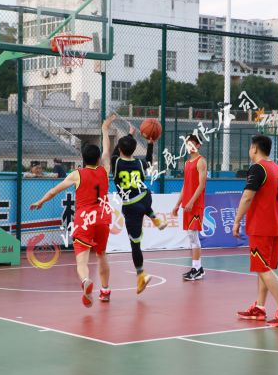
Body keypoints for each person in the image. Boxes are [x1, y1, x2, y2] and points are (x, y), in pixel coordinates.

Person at [30, 115, 116, 307]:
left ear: (83, 159)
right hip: (102, 218)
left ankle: (86, 281)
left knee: (82, 260)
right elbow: (107, 150)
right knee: (101, 255)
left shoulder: (77, 174)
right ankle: (105, 290)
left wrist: (41, 201)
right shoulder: (105, 170)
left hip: (84, 220)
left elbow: (54, 190)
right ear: (98, 159)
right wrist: (104, 129)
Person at [233, 135, 278, 327]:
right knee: (263, 267)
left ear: (254, 148)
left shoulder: (258, 168)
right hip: (274, 226)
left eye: (250, 147)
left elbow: (247, 197)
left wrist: (237, 220)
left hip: (260, 226)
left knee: (262, 268)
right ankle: (259, 307)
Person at [112, 124, 167, 294]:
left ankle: (141, 275)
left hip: (131, 205)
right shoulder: (139, 163)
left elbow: (114, 153)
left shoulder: (116, 162)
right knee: (144, 201)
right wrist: (150, 143)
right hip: (145, 197)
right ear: (134, 150)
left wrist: (130, 135)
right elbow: (149, 160)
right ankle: (154, 217)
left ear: (120, 149)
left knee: (135, 244)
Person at [172, 134, 207, 281]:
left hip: (196, 204)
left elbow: (202, 185)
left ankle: (196, 268)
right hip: (187, 204)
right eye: (187, 144)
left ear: (198, 145)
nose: (189, 146)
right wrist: (177, 204)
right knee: (191, 236)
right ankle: (198, 268)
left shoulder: (201, 161)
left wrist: (192, 201)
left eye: (192, 144)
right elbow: (185, 185)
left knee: (193, 235)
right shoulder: (187, 163)